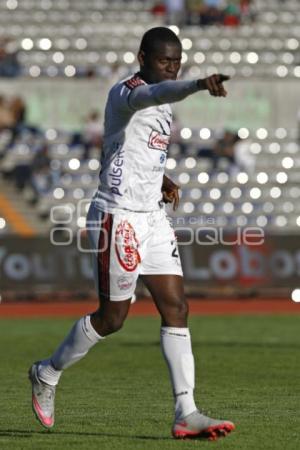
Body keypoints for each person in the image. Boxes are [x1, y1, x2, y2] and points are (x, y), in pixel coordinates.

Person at [29, 27, 235, 440]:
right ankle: (47, 372)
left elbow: (135, 149)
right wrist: (196, 84)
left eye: (177, 63)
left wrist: (162, 178)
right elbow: (153, 96)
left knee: (176, 306)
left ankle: (186, 411)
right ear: (142, 57)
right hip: (117, 218)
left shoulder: (162, 100)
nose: (171, 67)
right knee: (113, 318)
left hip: (152, 218)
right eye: (165, 61)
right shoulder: (129, 91)